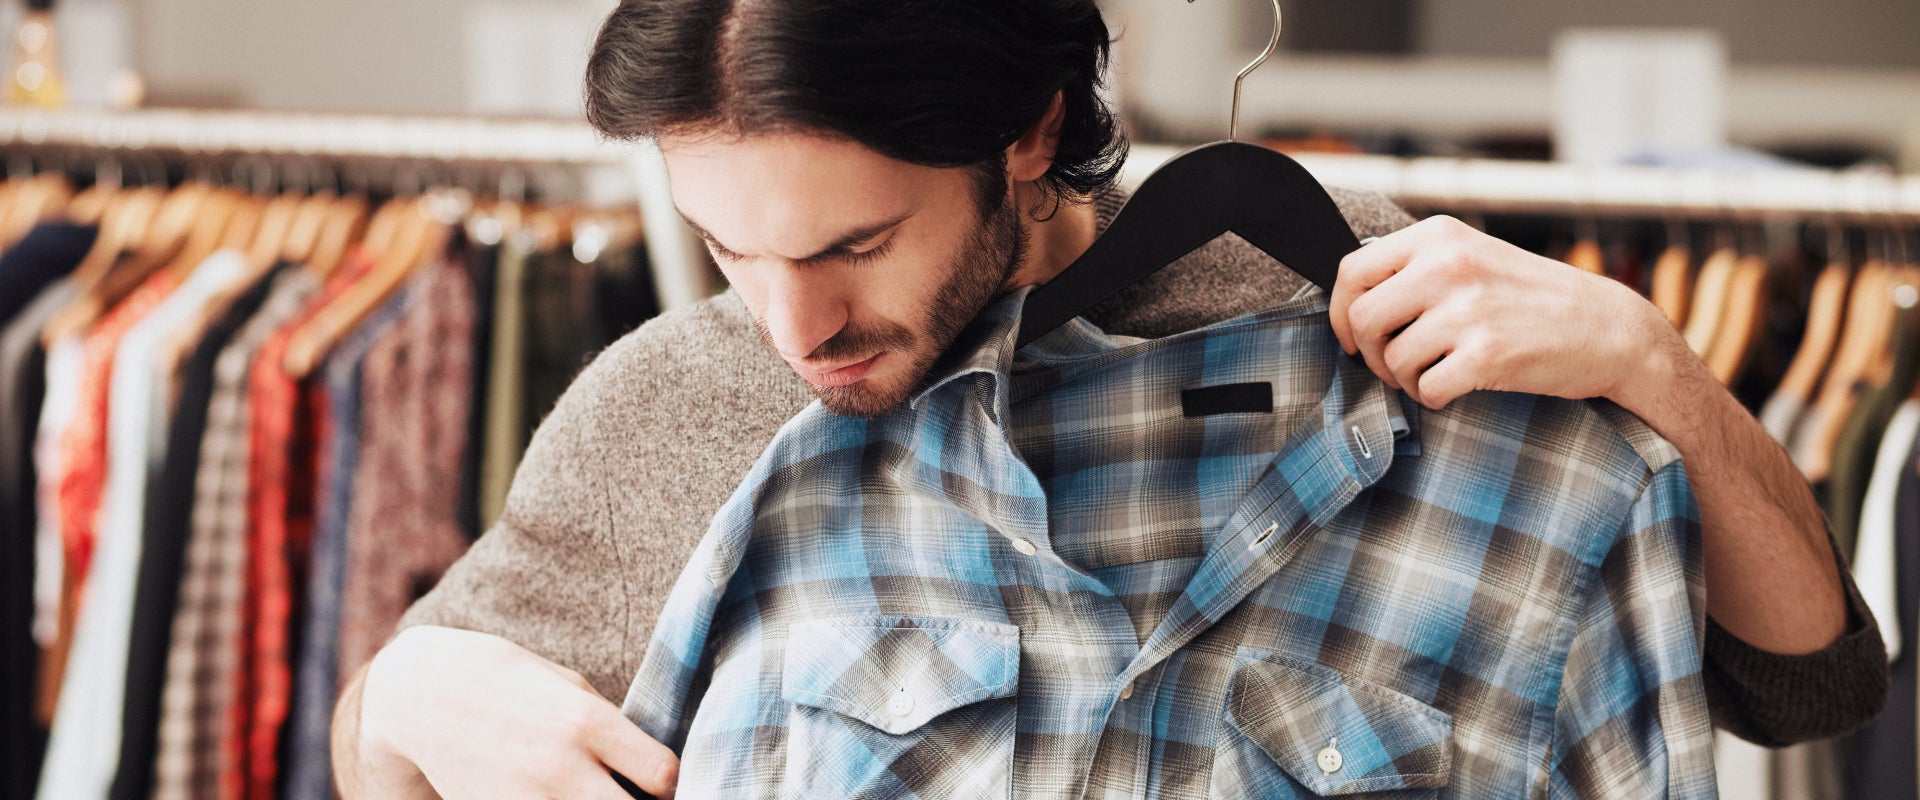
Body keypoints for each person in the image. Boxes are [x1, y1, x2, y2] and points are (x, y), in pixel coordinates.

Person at [332, 1, 1888, 797]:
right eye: (732, 250)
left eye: (853, 247)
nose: (793, 326)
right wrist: (396, 699)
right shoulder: (679, 410)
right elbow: (392, 750)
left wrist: (1655, 370)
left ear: (1028, 133)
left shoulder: (1370, 307)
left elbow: (1806, 688)